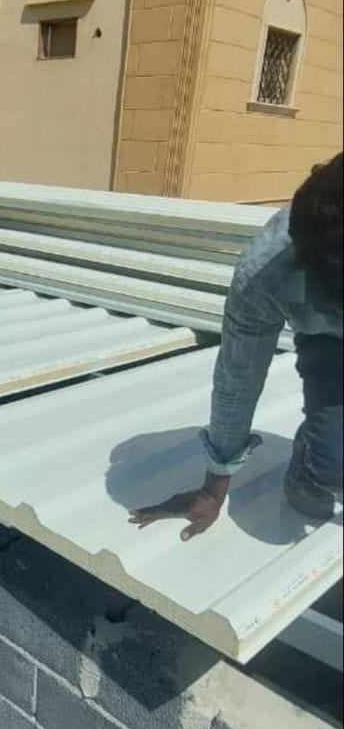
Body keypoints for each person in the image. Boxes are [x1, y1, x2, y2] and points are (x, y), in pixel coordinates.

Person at [130, 152, 343, 541]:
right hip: (329, 341)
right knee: (334, 468)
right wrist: (214, 488)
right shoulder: (265, 273)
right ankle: (314, 451)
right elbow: (238, 379)